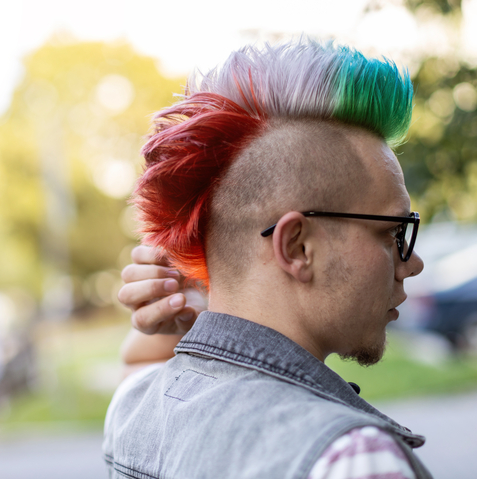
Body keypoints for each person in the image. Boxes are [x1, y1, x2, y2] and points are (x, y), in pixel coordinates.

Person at [104, 39, 432, 479]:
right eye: (392, 232)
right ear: (297, 247)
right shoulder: (351, 458)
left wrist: (191, 301)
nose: (412, 264)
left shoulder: (133, 411)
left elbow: (141, 369)